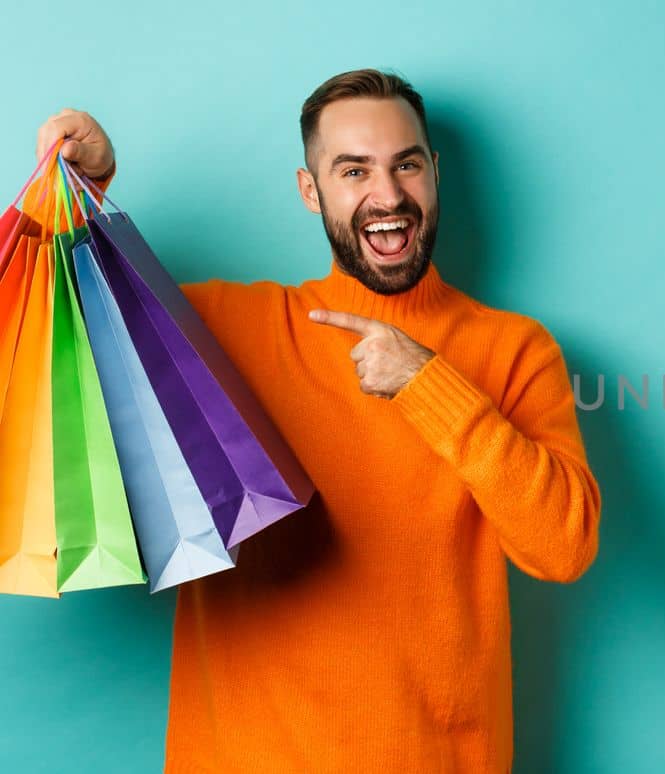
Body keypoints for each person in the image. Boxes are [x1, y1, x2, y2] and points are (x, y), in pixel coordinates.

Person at [32, 68, 603, 772]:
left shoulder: (516, 350)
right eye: (353, 170)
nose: (387, 196)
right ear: (312, 190)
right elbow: (51, 340)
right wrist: (86, 201)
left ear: (434, 174)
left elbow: (563, 547)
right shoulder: (221, 332)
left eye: (407, 165)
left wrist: (430, 383)